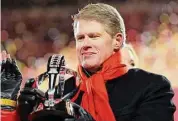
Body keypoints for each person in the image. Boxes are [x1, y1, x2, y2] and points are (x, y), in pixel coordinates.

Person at [0, 3, 176, 121]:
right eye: (80, 38)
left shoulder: (152, 87)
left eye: (94, 36)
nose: (85, 44)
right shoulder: (63, 91)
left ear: (117, 40)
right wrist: (14, 110)